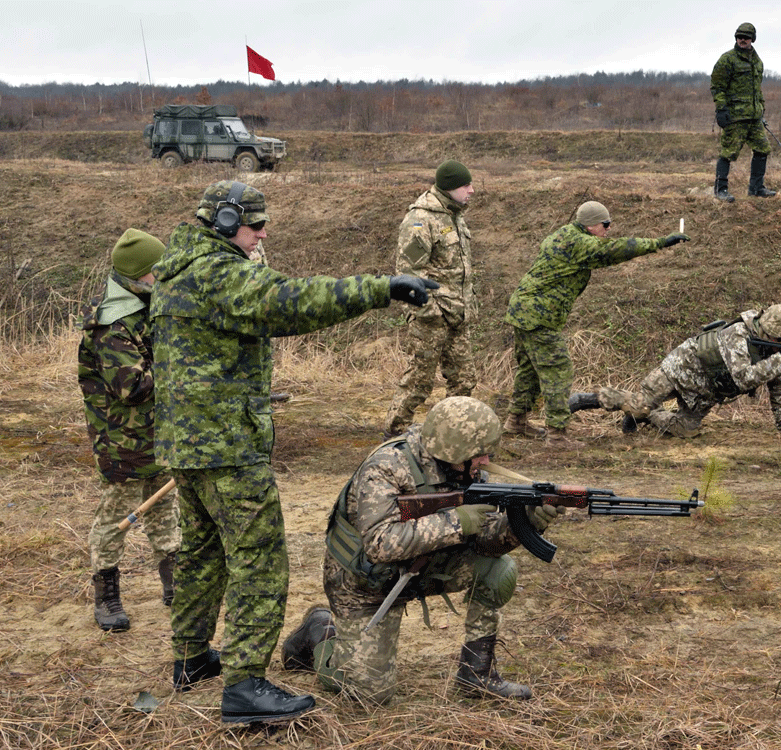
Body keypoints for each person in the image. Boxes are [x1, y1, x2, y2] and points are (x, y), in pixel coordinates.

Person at [150, 179, 437, 724]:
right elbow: (294, 302)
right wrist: (385, 288)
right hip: (227, 445)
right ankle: (245, 687)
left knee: (203, 553)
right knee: (259, 561)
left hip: (189, 444)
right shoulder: (218, 274)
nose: (261, 234)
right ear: (226, 222)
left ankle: (190, 659)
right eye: (255, 225)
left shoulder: (177, 270)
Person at [281, 396, 560, 704]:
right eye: (479, 453)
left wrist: (527, 524)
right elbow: (379, 544)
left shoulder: (469, 469)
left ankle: (476, 675)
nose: (487, 460)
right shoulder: (387, 467)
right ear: (454, 450)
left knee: (499, 570)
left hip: (420, 567)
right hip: (365, 584)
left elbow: (485, 542)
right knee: (369, 695)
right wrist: (456, 523)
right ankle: (320, 631)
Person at [502, 201, 689, 448]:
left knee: (529, 370)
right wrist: (660, 242)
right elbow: (617, 249)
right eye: (606, 224)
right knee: (558, 370)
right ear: (591, 225)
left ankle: (516, 421)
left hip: (524, 311)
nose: (608, 229)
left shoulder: (565, 234)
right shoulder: (580, 243)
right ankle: (556, 434)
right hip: (538, 316)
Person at [77, 229, 180, 633]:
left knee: (164, 504)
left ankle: (174, 582)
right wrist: (184, 370)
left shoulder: (145, 304)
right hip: (121, 437)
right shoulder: (112, 323)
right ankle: (106, 593)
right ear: (137, 276)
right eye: (158, 273)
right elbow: (132, 387)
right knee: (116, 513)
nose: (164, 278)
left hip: (156, 431)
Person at [569, 304, 781, 438]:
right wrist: (779, 361)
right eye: (778, 339)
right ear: (767, 330)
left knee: (684, 431)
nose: (780, 344)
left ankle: (645, 416)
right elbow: (742, 378)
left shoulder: (775, 351)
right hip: (679, 370)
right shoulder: (738, 334)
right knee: (640, 403)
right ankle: (585, 400)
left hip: (705, 392)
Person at [384, 160, 478, 437]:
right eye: (466, 186)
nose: (472, 191)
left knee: (464, 380)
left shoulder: (455, 214)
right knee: (419, 381)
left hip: (458, 315)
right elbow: (409, 273)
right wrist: (430, 311)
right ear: (450, 188)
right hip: (431, 318)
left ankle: (456, 434)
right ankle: (394, 432)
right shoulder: (420, 219)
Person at [711, 22, 775, 202]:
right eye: (739, 37)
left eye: (746, 37)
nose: (742, 40)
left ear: (752, 39)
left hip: (754, 117)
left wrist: (760, 108)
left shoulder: (757, 61)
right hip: (735, 117)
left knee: (763, 149)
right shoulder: (727, 60)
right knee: (728, 152)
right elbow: (717, 86)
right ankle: (720, 190)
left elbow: (757, 89)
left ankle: (756, 188)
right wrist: (721, 109)